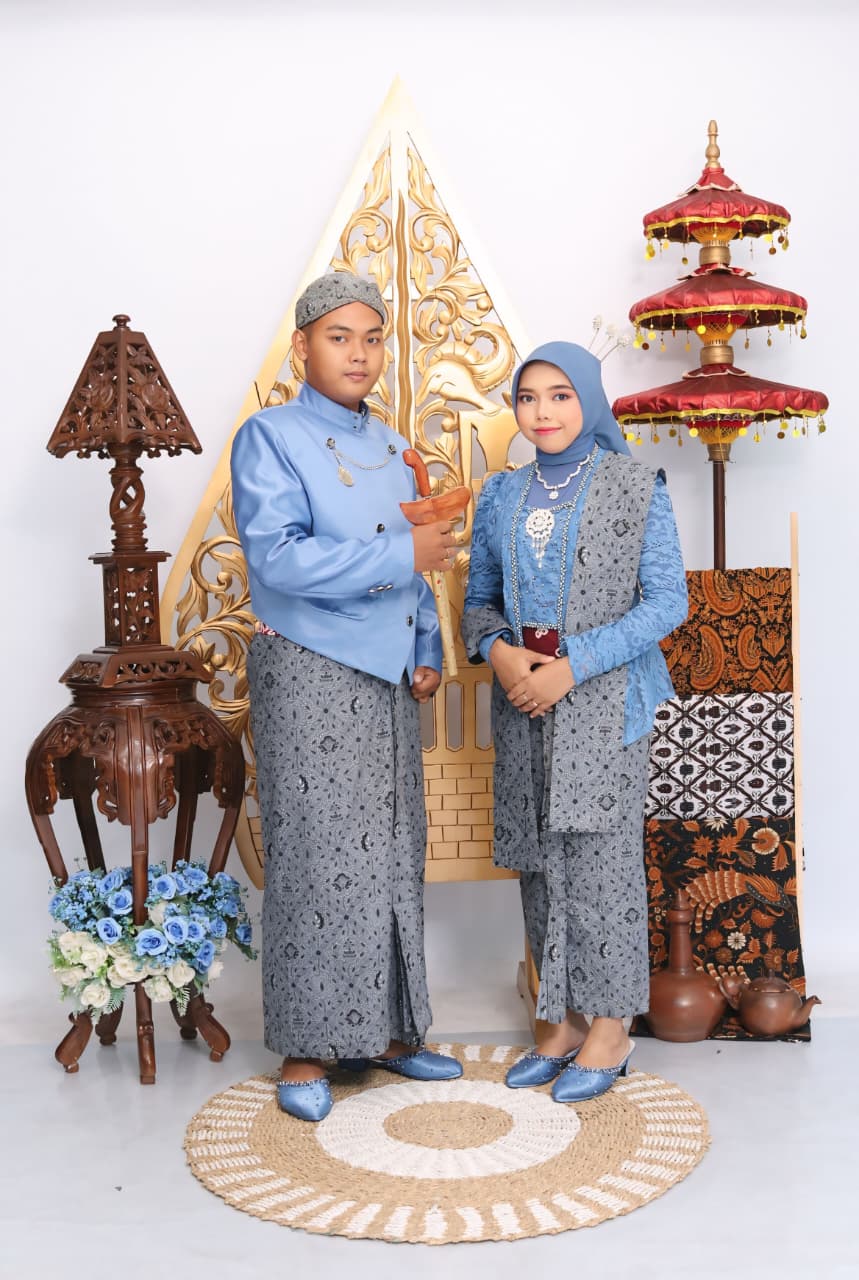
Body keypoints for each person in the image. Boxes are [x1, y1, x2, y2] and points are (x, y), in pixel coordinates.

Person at [231, 271, 463, 1122]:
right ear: (302, 346)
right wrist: (402, 556)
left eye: (371, 338)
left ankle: (392, 1033)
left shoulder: (393, 443)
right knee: (314, 856)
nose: (358, 354)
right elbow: (277, 560)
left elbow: (420, 560)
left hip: (386, 676)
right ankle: (306, 1046)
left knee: (393, 852)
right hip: (308, 670)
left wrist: (425, 646)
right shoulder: (270, 436)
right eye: (338, 337)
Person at [462, 341, 687, 1102]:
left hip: (601, 701)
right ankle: (556, 1022)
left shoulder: (635, 484)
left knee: (601, 864)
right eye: (528, 398)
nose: (543, 412)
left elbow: (667, 601)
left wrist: (572, 665)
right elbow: (478, 602)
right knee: (536, 859)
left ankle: (611, 1028)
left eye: (560, 395)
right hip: (523, 699)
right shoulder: (501, 494)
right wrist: (499, 654)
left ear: (588, 399)